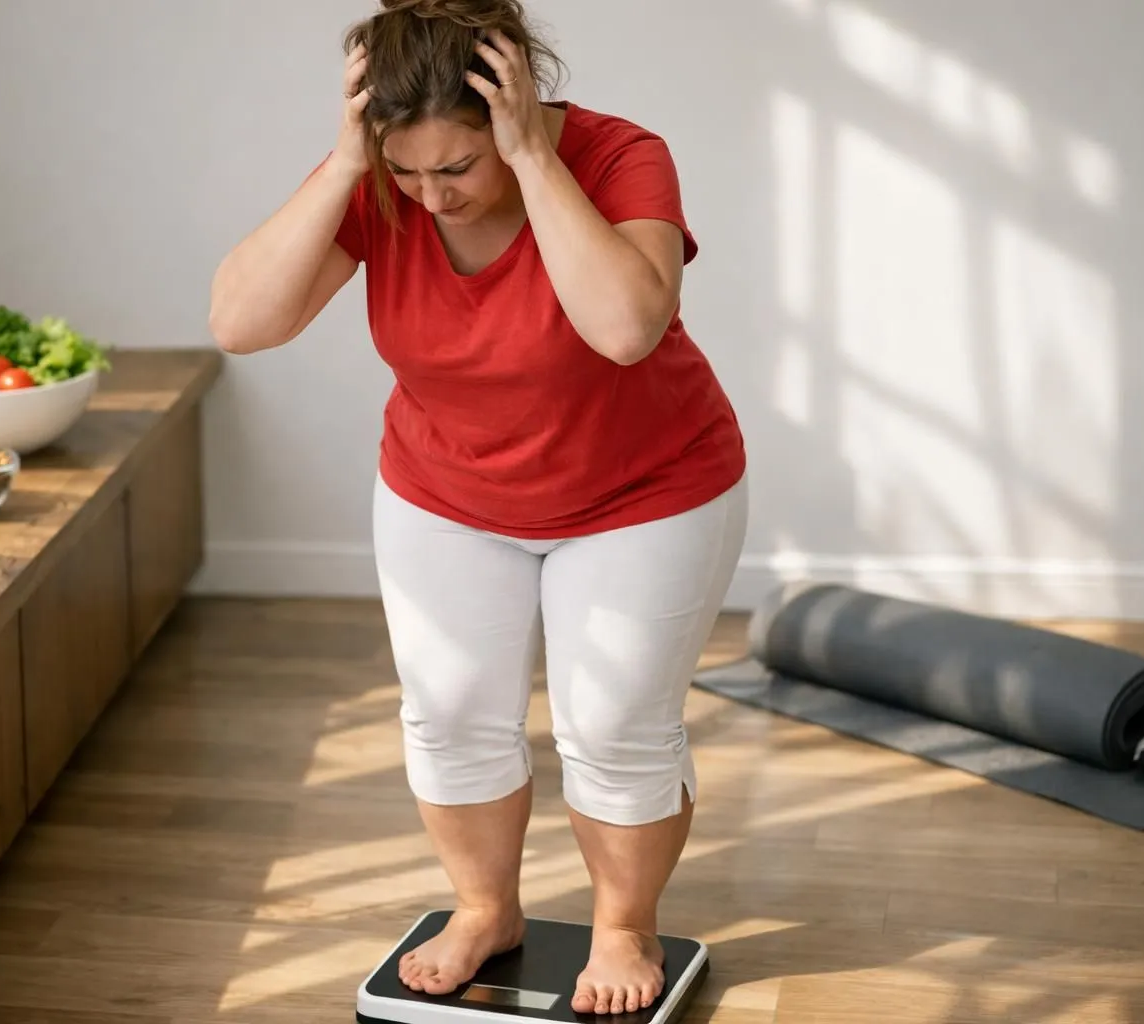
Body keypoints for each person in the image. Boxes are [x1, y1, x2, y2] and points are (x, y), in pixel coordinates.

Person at [208, 0, 748, 1015]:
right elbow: (240, 321)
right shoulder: (378, 186)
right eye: (405, 171)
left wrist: (535, 161)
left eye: (454, 168)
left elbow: (628, 326)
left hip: (647, 488)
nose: (429, 196)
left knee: (615, 725)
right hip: (447, 489)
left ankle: (623, 925)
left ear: (518, 107)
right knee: (450, 713)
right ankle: (483, 907)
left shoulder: (619, 156)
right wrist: (341, 169)